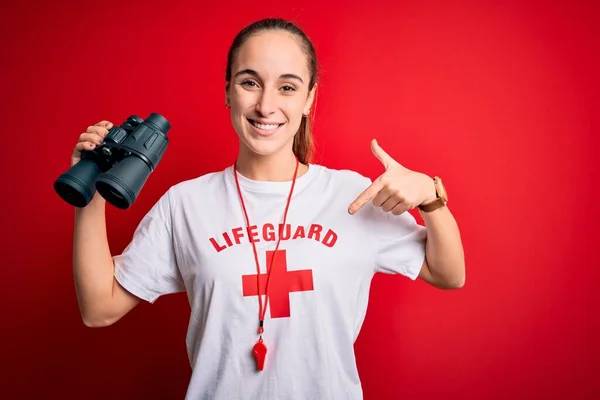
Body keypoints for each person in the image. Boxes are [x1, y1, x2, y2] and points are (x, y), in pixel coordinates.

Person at [70, 17, 465, 400]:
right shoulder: (185, 203)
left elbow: (449, 274)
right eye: (249, 82)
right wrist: (90, 193)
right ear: (228, 91)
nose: (266, 104)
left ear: (310, 98)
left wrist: (431, 196)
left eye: (288, 87)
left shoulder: (353, 195)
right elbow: (99, 307)